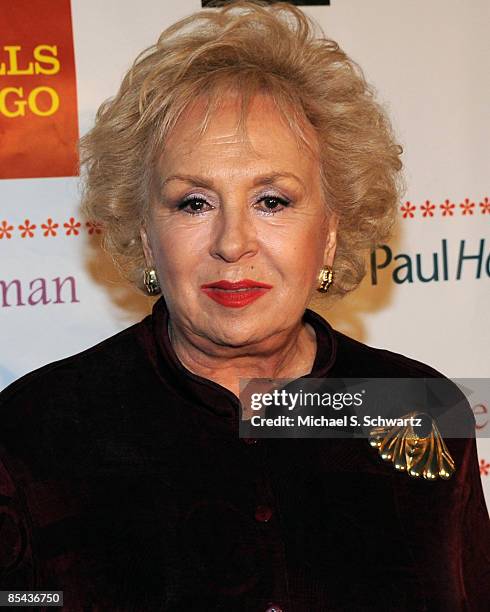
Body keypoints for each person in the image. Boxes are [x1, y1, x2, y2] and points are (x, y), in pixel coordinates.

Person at [0, 1, 488, 610]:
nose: (233, 242)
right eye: (193, 203)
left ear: (331, 230)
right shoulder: (34, 432)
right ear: (147, 234)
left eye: (274, 201)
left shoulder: (420, 411)